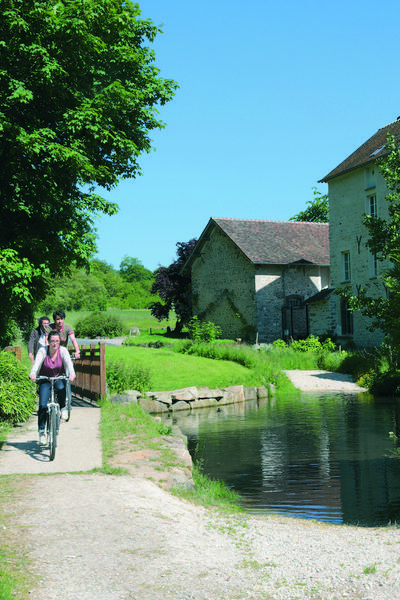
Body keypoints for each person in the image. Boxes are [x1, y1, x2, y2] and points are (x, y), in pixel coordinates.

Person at [30, 330, 76, 445]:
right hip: (45, 379)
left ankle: (63, 408)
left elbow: (69, 363)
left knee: (61, 387)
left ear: (59, 341)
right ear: (48, 342)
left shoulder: (63, 351)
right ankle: (41, 433)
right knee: (42, 405)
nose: (55, 344)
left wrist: (71, 373)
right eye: (52, 341)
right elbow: (37, 363)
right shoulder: (43, 350)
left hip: (59, 377)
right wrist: (33, 373)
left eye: (57, 341)